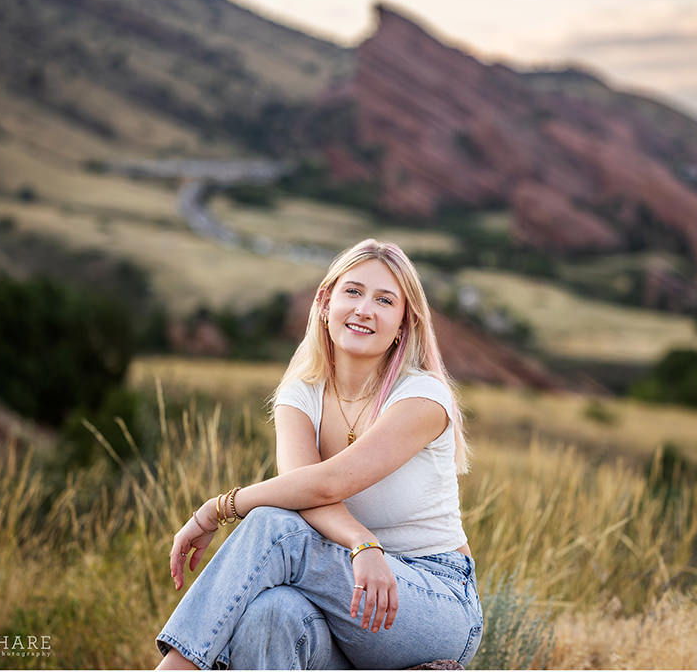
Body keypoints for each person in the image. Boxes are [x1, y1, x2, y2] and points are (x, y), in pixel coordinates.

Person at [155, 239, 483, 670]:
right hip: (343, 592)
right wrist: (360, 543)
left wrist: (216, 510)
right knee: (270, 614)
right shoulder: (300, 395)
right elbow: (306, 495)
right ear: (325, 302)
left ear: (403, 323)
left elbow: (325, 485)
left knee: (275, 525)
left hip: (431, 602)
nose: (365, 309)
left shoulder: (422, 397)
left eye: (385, 300)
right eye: (353, 291)